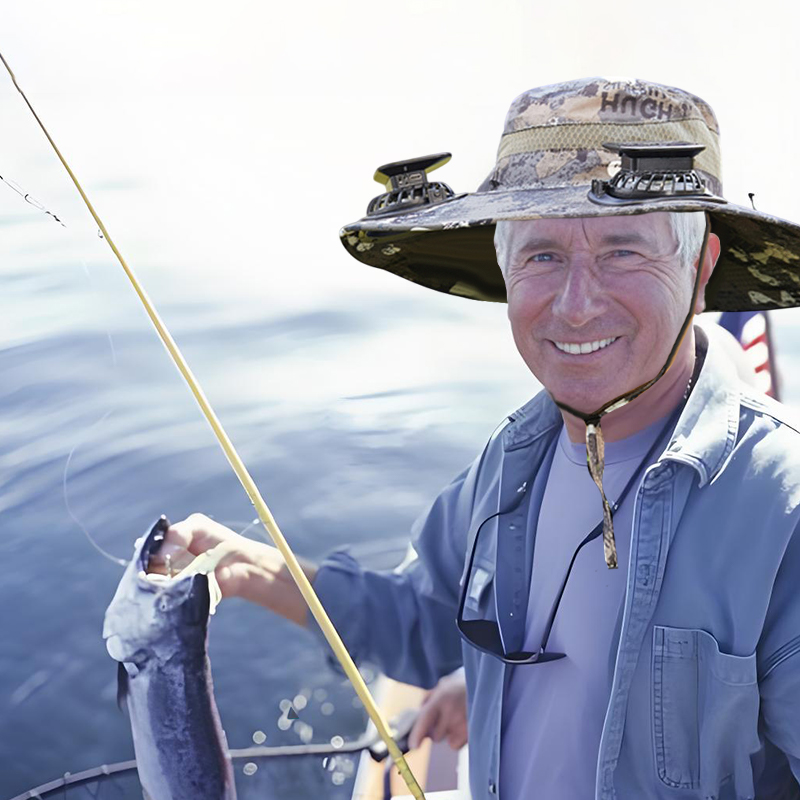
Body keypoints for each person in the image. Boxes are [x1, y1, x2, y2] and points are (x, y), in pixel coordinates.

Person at [153, 78, 800, 799]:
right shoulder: (510, 462)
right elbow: (423, 623)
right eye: (542, 256)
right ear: (504, 271)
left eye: (622, 251)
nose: (576, 306)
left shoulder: (783, 510)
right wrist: (246, 567)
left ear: (701, 269)